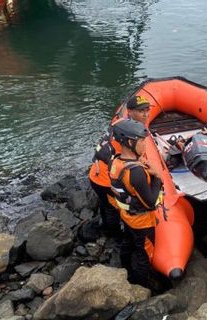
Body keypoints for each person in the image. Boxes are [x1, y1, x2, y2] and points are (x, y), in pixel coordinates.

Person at [88, 95, 152, 238]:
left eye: (147, 110)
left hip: (97, 174)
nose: (146, 114)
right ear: (129, 111)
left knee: (105, 205)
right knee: (113, 209)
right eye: (141, 111)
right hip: (105, 181)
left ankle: (107, 227)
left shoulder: (120, 124)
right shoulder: (127, 135)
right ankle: (115, 236)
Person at [109, 119, 163, 288]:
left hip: (126, 215)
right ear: (130, 142)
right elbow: (151, 203)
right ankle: (141, 286)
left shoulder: (115, 161)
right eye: (142, 141)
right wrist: (158, 178)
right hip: (142, 222)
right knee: (144, 254)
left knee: (128, 242)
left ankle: (125, 267)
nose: (145, 145)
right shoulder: (136, 172)